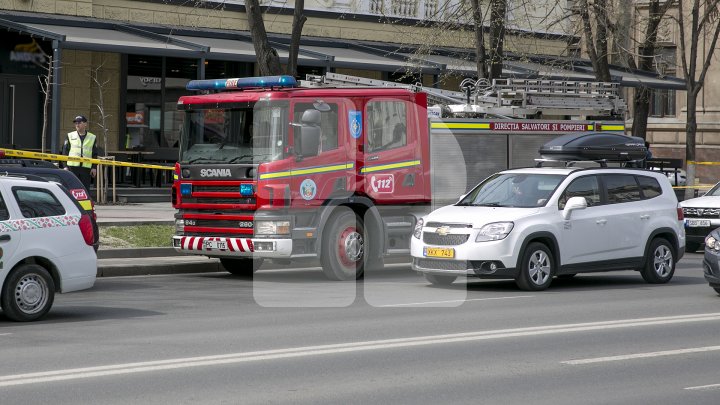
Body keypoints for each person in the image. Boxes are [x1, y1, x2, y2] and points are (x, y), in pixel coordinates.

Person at [61, 115, 98, 193]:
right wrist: (65, 166)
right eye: (76, 123)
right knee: (71, 189)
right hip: (72, 167)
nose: (77, 125)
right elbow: (65, 152)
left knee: (84, 190)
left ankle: (84, 205)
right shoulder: (70, 135)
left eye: (79, 123)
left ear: (85, 124)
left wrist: (94, 167)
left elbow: (95, 154)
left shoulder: (92, 137)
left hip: (86, 168)